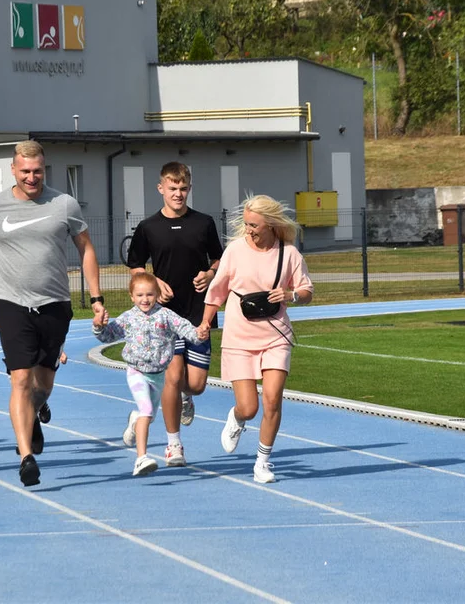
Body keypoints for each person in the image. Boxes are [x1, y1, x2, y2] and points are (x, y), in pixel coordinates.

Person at [0, 140, 106, 487]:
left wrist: (97, 297)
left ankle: (34, 416)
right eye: (24, 171)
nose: (31, 177)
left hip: (55, 305)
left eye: (37, 171)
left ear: (45, 169)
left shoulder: (64, 204)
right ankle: (26, 456)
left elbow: (85, 248)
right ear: (13, 169)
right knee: (21, 380)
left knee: (42, 386)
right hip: (12, 304)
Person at [200, 195, 313, 484]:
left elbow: (306, 292)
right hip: (239, 336)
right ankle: (237, 418)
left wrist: (290, 296)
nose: (248, 229)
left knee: (273, 400)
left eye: (254, 225)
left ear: (272, 224)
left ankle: (263, 461)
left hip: (276, 335)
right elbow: (217, 291)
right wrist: (204, 322)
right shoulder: (235, 251)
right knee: (249, 407)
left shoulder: (289, 254)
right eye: (247, 224)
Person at [126, 162, 223, 467]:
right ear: (161, 189)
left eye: (183, 188)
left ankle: (181, 398)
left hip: (197, 314)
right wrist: (154, 283)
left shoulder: (204, 223)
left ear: (189, 188)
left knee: (194, 384)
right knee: (173, 375)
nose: (178, 194)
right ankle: (173, 445)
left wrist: (210, 274)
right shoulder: (148, 227)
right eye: (172, 189)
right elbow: (136, 267)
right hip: (163, 316)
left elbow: (220, 259)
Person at [92, 273, 209, 476]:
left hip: (158, 375)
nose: (144, 299)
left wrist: (199, 334)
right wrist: (98, 325)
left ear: (157, 294)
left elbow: (186, 329)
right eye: (139, 295)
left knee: (148, 416)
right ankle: (141, 458)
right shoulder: (128, 318)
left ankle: (134, 421)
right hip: (136, 372)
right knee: (147, 411)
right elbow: (106, 336)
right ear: (131, 297)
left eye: (149, 294)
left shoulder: (166, 315)